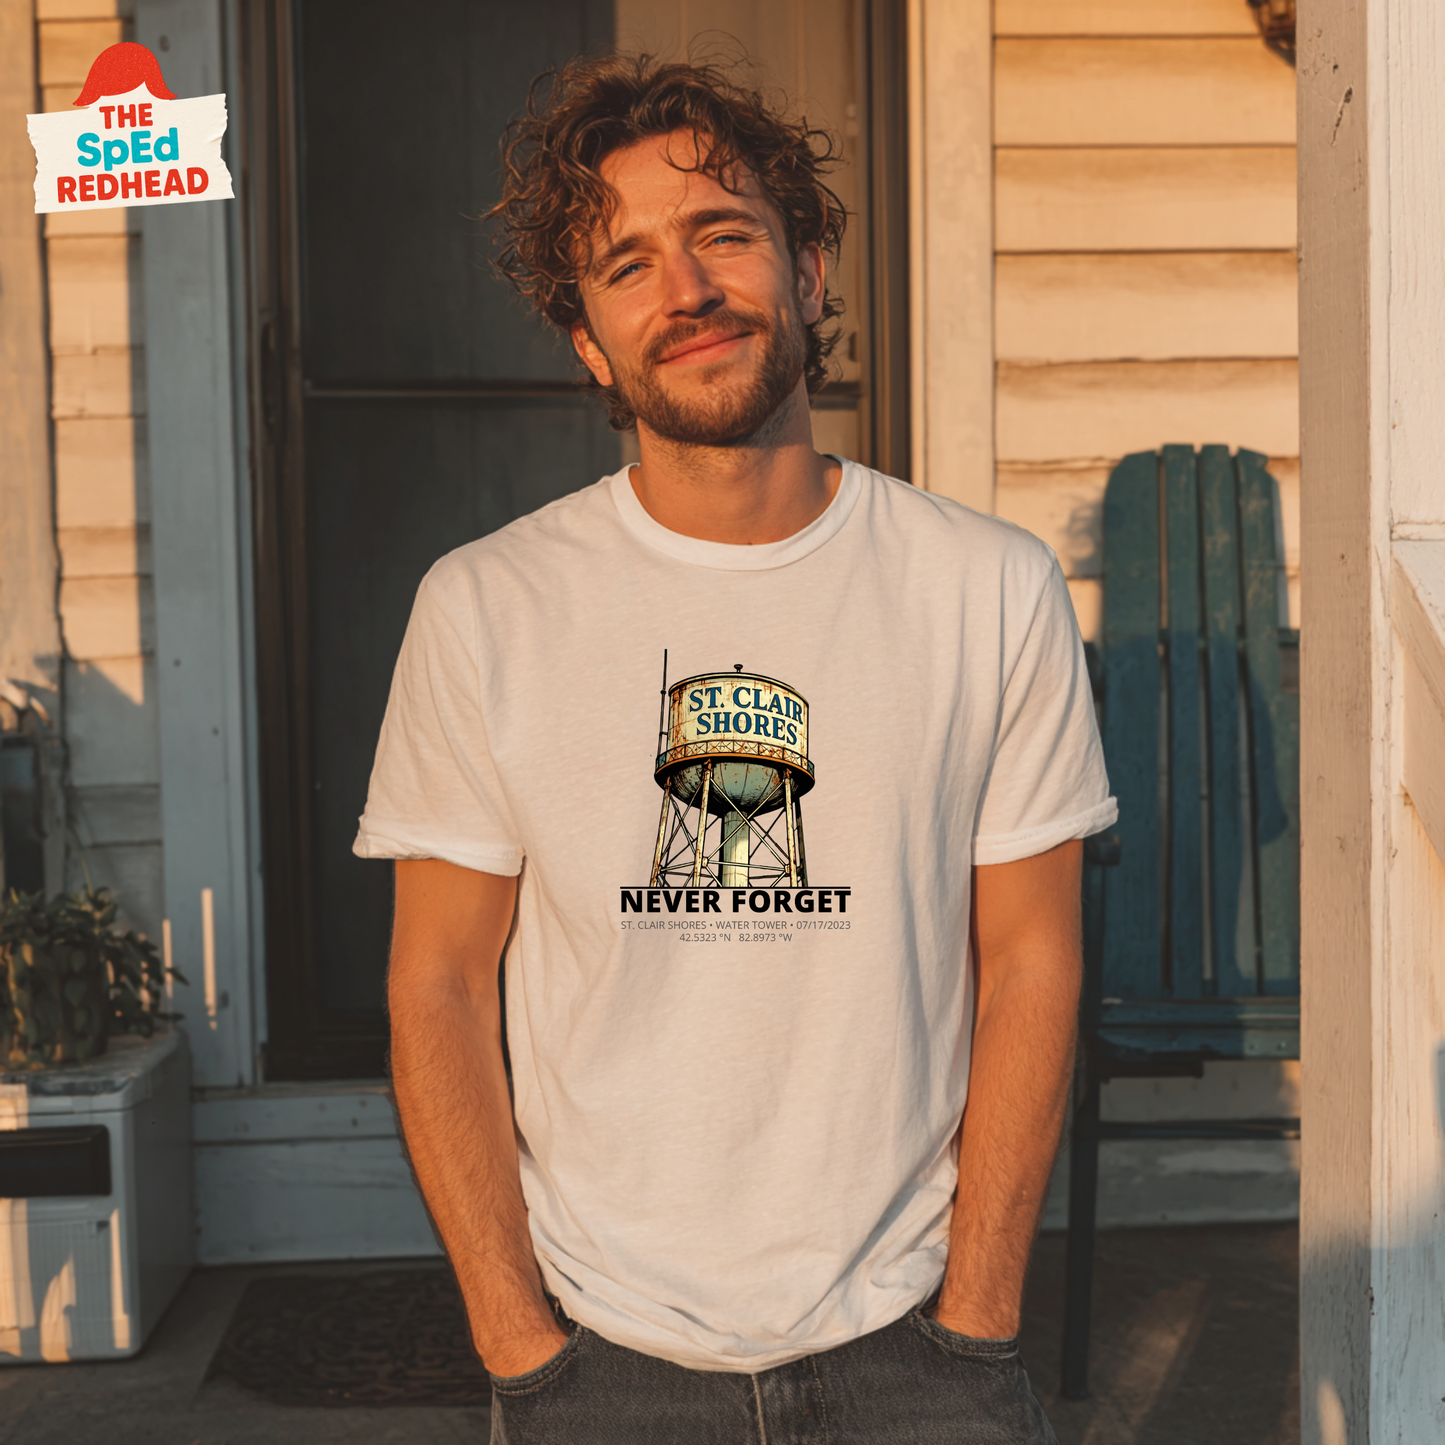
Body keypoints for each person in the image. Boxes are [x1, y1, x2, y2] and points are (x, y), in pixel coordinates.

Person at [355, 52, 1115, 1445]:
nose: (687, 289)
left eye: (722, 234)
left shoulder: (987, 589)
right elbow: (439, 986)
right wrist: (520, 1344)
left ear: (809, 271)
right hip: (601, 1359)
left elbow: (1032, 959)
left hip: (920, 1348)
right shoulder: (486, 608)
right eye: (627, 264)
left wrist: (980, 1314)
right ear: (590, 342)